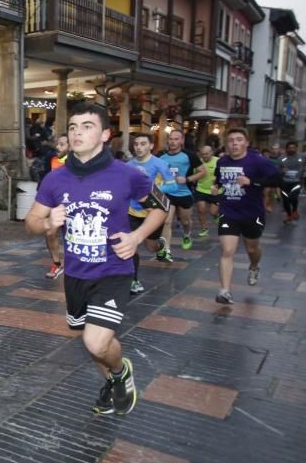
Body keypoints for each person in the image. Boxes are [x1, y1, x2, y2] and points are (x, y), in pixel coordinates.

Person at [26, 103, 167, 416]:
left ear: (105, 134)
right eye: (73, 127)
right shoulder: (55, 179)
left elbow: (160, 207)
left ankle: (121, 373)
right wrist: (49, 224)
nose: (77, 133)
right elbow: (32, 220)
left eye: (87, 126)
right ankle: (112, 381)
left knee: (95, 341)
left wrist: (137, 237)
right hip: (75, 274)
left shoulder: (128, 176)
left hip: (114, 270)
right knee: (88, 338)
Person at [214, 128, 281, 304]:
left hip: (252, 212)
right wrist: (216, 189)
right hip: (229, 211)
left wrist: (253, 182)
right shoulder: (222, 162)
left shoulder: (257, 161)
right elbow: (218, 180)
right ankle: (225, 291)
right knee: (228, 250)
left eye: (238, 140)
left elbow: (277, 179)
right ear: (226, 144)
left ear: (246, 143)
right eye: (231, 140)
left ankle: (254, 266)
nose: (234, 143)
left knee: (252, 249)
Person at [126, 133, 173, 295]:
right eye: (136, 144)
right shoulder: (128, 165)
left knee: (151, 247)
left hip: (152, 213)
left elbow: (173, 187)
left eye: (143, 144)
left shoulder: (160, 164)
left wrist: (152, 190)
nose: (138, 147)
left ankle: (160, 244)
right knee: (131, 246)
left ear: (151, 146)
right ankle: (134, 280)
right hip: (131, 211)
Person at [156, 130, 203, 260]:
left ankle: (187, 234)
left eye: (176, 139)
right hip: (168, 193)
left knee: (185, 221)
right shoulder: (161, 156)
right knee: (166, 222)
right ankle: (167, 250)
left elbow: (202, 172)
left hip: (184, 193)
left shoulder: (189, 155)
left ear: (181, 141)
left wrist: (187, 179)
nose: (173, 142)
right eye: (171, 139)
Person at [44, 134, 69, 279]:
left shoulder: (74, 162)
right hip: (55, 205)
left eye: (62, 144)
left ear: (70, 146)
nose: (57, 147)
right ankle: (56, 263)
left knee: (70, 237)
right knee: (50, 233)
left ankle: (71, 265)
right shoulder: (52, 160)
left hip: (72, 205)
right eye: (57, 144)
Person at [193, 144, 219, 236]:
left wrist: (217, 185)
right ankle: (204, 228)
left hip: (215, 191)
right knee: (201, 209)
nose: (205, 156)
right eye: (203, 154)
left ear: (212, 153)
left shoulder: (218, 161)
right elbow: (194, 175)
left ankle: (216, 215)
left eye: (207, 154)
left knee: (213, 211)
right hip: (201, 189)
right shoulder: (198, 163)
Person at [278, 141, 304, 224]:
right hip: (285, 182)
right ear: (286, 149)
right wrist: (281, 170)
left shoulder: (302, 157)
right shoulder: (281, 158)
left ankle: (295, 211)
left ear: (296, 148)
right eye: (289, 148)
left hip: (297, 182)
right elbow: (277, 169)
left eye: (293, 148)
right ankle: (289, 215)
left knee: (293, 197)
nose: (291, 149)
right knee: (285, 200)